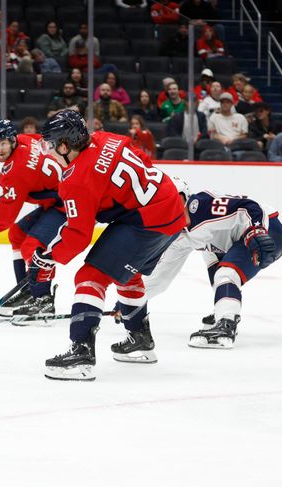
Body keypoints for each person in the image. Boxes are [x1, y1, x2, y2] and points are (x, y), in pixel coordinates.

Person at [36, 109, 186, 380]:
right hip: (171, 210)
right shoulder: (106, 138)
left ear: (65, 144)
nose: (48, 151)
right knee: (127, 273)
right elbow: (142, 160)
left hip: (146, 220)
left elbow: (78, 235)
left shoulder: (75, 179)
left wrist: (49, 255)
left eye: (51, 144)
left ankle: (81, 352)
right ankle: (139, 340)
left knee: (90, 277)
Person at [126, 177, 282, 351]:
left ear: (183, 198)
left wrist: (256, 231)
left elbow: (249, 206)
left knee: (225, 274)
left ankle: (226, 323)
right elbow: (160, 278)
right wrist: (130, 303)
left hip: (266, 230)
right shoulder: (177, 235)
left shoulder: (201, 205)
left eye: (170, 199)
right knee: (210, 257)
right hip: (236, 241)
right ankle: (223, 311)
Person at [0, 119, 66, 322]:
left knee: (33, 245)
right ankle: (28, 289)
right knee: (17, 234)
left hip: (68, 203)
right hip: (55, 200)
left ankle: (43, 300)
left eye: (2, 144)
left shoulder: (15, 171)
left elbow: (5, 216)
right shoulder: (26, 139)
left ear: (11, 140)